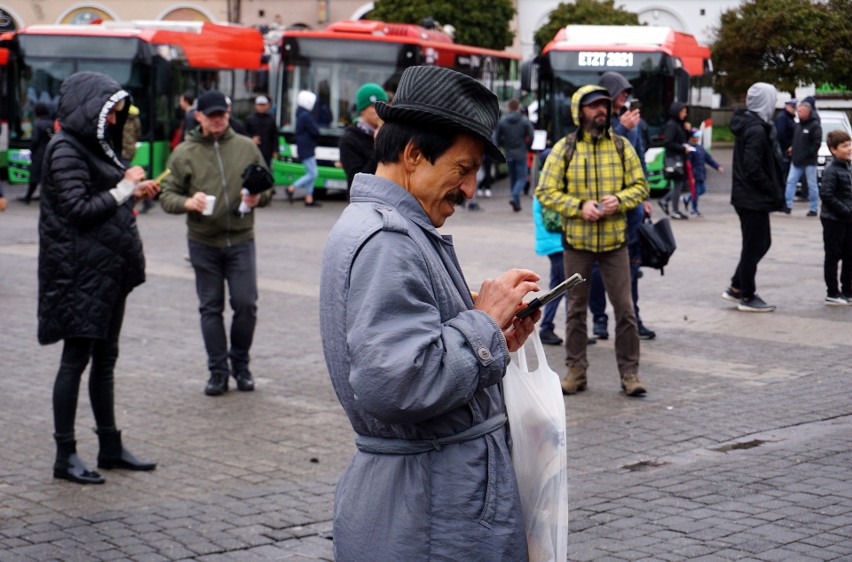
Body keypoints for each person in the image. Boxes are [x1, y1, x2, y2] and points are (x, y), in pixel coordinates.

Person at [319, 66, 541, 560]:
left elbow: (417, 354)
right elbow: (396, 382)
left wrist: (496, 342)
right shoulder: (388, 240)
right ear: (414, 155)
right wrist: (482, 323)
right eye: (462, 169)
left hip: (428, 496)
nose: (468, 188)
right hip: (432, 507)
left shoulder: (392, 226)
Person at [37, 71, 160, 484]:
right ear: (90, 110)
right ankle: (64, 454)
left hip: (107, 272)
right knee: (75, 361)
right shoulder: (64, 149)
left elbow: (100, 196)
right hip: (78, 274)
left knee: (105, 360)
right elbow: (78, 210)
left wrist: (132, 192)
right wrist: (126, 188)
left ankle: (109, 445)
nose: (113, 122)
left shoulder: (93, 147)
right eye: (109, 113)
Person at [537, 84, 649, 397]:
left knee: (625, 311)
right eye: (592, 106)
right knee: (575, 310)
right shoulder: (565, 148)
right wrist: (578, 206)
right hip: (577, 244)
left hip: (615, 244)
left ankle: (630, 374)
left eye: (603, 105)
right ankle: (576, 371)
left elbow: (641, 186)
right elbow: (544, 192)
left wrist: (619, 199)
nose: (600, 110)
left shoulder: (621, 147)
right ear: (579, 112)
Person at [159, 90, 273, 395]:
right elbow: (165, 194)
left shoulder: (247, 147)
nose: (218, 120)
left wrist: (258, 197)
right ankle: (218, 371)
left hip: (240, 239)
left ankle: (241, 365)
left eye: (222, 114)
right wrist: (187, 202)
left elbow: (268, 187)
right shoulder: (184, 152)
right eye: (211, 116)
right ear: (198, 117)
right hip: (203, 242)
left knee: (246, 304)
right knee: (210, 308)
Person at [589, 71, 657, 342]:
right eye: (621, 91)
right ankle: (599, 320)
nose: (626, 96)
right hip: (602, 206)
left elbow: (638, 161)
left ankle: (632, 319)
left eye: (628, 91)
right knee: (596, 269)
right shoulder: (596, 119)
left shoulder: (634, 122)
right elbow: (595, 151)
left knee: (631, 267)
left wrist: (644, 197)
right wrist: (621, 130)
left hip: (630, 208)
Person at [722, 82, 786, 312]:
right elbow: (752, 165)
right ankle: (747, 295)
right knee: (754, 246)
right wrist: (770, 188)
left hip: (748, 196)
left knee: (760, 243)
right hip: (751, 197)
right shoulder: (756, 129)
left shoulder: (751, 125)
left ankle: (737, 286)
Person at [818, 130, 852, 306]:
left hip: (848, 220)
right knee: (833, 256)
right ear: (833, 150)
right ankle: (832, 292)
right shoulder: (832, 170)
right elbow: (827, 195)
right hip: (833, 219)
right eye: (844, 146)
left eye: (850, 144)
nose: (849, 148)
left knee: (849, 255)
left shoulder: (848, 166)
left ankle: (847, 291)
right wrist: (846, 211)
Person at [338, 82, 388, 189]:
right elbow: (358, 182)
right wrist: (379, 146)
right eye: (373, 106)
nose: (379, 111)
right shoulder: (350, 139)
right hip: (365, 203)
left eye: (383, 104)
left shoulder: (391, 133)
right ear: (362, 110)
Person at [493, 98, 534, 212]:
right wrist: (528, 146)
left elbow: (497, 137)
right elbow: (531, 135)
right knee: (522, 177)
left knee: (513, 178)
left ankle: (516, 203)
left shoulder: (503, 121)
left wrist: (503, 146)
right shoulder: (525, 121)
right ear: (518, 107)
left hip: (509, 152)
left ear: (509, 108)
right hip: (521, 153)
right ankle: (515, 196)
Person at [784, 100, 822, 216]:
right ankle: (787, 205)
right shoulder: (798, 125)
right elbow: (796, 141)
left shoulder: (814, 126)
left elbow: (816, 143)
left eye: (800, 111)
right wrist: (792, 148)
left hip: (809, 161)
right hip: (796, 161)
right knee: (791, 182)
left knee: (812, 185)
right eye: (798, 111)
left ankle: (814, 208)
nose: (798, 113)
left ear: (807, 112)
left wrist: (808, 154)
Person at [287, 90, 321, 207]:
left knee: (310, 172)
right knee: (313, 173)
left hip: (304, 146)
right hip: (307, 147)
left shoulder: (300, 114)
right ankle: (292, 187)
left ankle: (309, 198)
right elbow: (315, 131)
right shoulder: (306, 116)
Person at [659, 102, 691, 219]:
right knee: (678, 184)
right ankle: (674, 209)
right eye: (682, 112)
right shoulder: (672, 125)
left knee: (680, 184)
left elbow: (683, 140)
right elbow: (668, 142)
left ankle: (668, 203)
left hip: (680, 158)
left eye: (685, 112)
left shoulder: (679, 124)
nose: (685, 114)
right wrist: (683, 148)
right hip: (675, 158)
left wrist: (687, 131)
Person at [683, 129, 724, 216]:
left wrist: (717, 166)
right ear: (691, 137)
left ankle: (687, 198)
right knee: (696, 192)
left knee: (702, 190)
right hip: (694, 174)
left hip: (701, 174)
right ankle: (694, 209)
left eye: (698, 136)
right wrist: (691, 176)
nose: (697, 138)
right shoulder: (689, 149)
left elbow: (708, 159)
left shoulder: (700, 148)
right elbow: (688, 164)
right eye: (695, 136)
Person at [19, 103, 55, 204]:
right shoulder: (52, 123)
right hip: (50, 152)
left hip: (39, 154)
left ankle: (28, 198)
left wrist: (31, 150)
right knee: (47, 177)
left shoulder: (38, 124)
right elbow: (53, 137)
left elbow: (35, 140)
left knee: (34, 177)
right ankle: (46, 197)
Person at [245, 95, 278, 168]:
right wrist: (251, 139)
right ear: (255, 106)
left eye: (263, 105)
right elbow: (244, 134)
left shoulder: (271, 119)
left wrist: (275, 150)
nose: (261, 107)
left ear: (267, 106)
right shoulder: (250, 119)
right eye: (259, 105)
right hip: (253, 151)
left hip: (267, 153)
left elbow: (275, 136)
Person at [775, 98, 797, 190]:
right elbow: (780, 135)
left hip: (788, 150)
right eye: (792, 107)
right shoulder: (783, 118)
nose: (794, 109)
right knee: (783, 173)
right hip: (784, 151)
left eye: (794, 107)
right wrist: (787, 147)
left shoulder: (789, 117)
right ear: (786, 106)